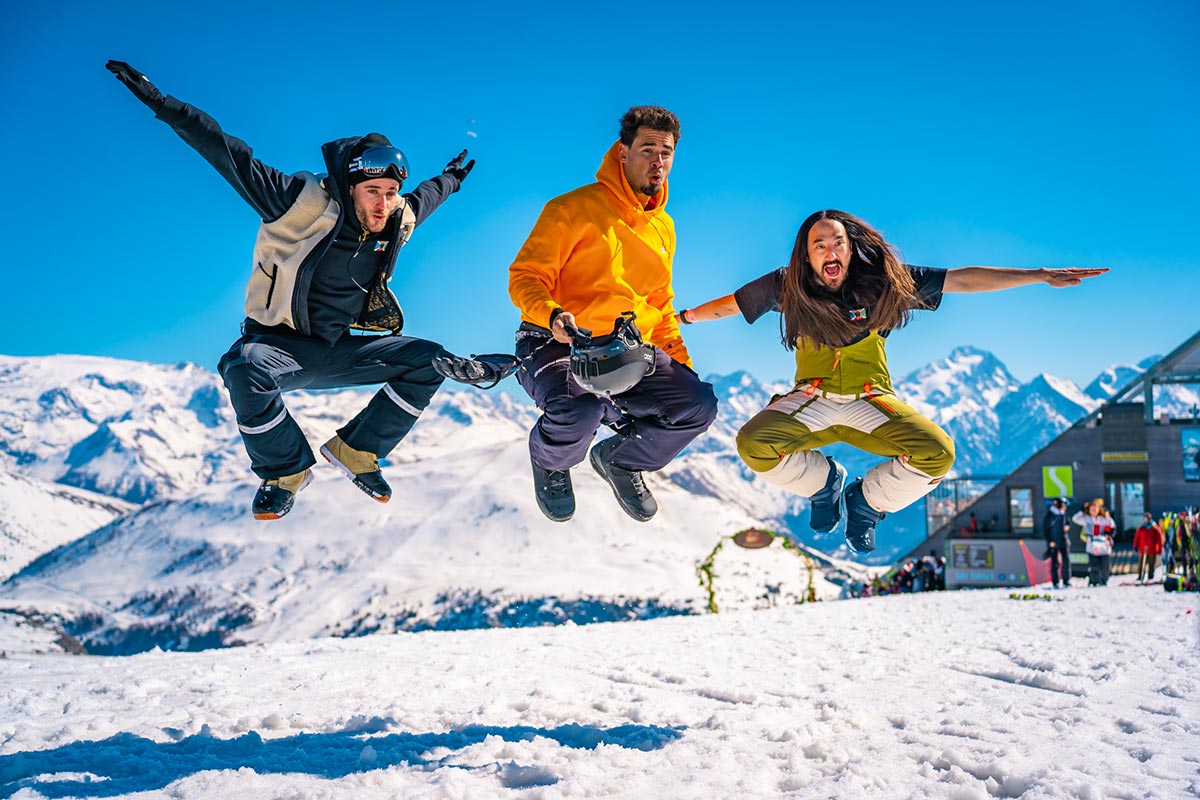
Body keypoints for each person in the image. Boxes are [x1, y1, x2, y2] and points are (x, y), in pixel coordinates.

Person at [106, 61, 475, 520]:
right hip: (279, 348)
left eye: (390, 192)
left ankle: (357, 450)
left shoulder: (395, 216)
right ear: (351, 186)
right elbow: (226, 152)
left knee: (431, 360)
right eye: (373, 191)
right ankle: (285, 472)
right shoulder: (297, 203)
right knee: (242, 367)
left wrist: (452, 180)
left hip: (338, 350)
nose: (383, 204)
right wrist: (163, 104)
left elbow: (425, 199)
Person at [675, 209, 1107, 554]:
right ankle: (824, 484)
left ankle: (866, 503)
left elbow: (963, 278)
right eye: (818, 244)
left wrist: (1038, 274)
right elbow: (729, 305)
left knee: (938, 453)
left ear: (850, 248)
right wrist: (682, 318)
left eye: (837, 242)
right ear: (806, 255)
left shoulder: (885, 282)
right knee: (753, 443)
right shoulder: (788, 286)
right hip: (811, 401)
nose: (829, 250)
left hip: (871, 402)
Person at [499, 106, 717, 523]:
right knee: (580, 412)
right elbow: (525, 276)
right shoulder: (571, 208)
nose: (658, 160)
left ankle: (621, 460)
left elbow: (658, 304)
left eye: (666, 152)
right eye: (648, 148)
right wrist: (552, 314)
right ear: (622, 152)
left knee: (698, 404)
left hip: (625, 349)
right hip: (555, 339)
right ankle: (550, 460)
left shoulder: (663, 228)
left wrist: (682, 366)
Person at [1072, 498, 1115, 586]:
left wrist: (1109, 534)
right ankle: (1095, 581)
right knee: (1094, 565)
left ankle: (1104, 580)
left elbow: (1113, 527)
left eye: (1095, 509)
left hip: (1104, 546)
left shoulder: (1105, 518)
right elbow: (1075, 519)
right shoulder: (1086, 519)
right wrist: (1082, 509)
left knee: (1105, 565)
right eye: (1092, 509)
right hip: (1092, 546)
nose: (1094, 511)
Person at [1043, 497, 1073, 588]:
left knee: (1066, 561)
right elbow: (1045, 530)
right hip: (1054, 541)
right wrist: (1050, 541)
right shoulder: (1050, 515)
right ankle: (1055, 581)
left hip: (1064, 540)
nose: (1065, 508)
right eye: (1064, 506)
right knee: (1054, 562)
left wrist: (1067, 526)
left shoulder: (1063, 514)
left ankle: (1066, 580)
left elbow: (1067, 523)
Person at [1133, 512, 1165, 582]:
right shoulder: (1141, 528)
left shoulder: (1154, 528)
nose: (1147, 520)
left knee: (1151, 563)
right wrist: (1135, 546)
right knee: (1141, 563)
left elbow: (1159, 539)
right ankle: (1140, 576)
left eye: (1148, 518)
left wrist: (1160, 548)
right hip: (1143, 549)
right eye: (1146, 518)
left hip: (1152, 549)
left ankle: (1151, 576)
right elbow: (1137, 537)